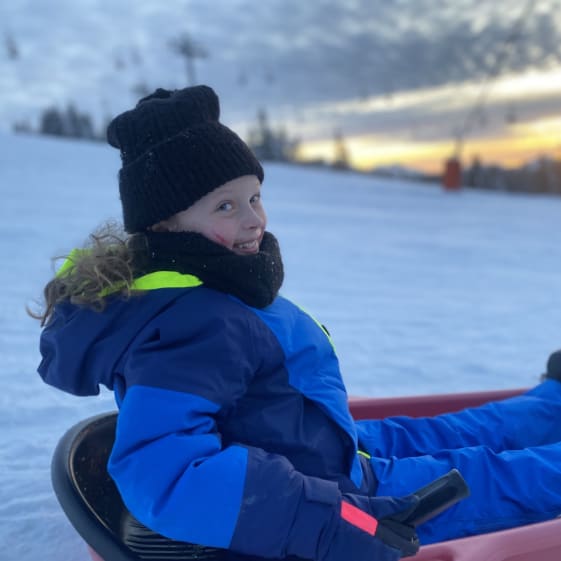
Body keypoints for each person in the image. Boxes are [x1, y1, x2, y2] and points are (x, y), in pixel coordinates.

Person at [35, 85, 561, 561]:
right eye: (225, 205)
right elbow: (169, 475)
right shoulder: (190, 325)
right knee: (495, 477)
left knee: (451, 432)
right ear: (164, 225)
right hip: (332, 501)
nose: (253, 219)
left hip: (326, 451)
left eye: (254, 197)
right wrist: (345, 522)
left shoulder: (206, 288)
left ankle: (551, 402)